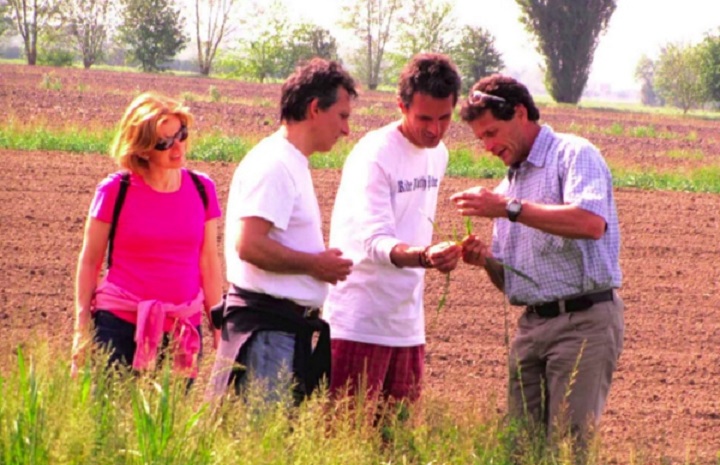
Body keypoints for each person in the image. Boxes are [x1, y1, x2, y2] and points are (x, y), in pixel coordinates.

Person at [451, 74, 624, 456]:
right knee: (521, 450)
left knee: (568, 450)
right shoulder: (508, 186)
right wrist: (486, 260)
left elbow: (590, 223)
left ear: (519, 113)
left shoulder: (573, 154)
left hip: (583, 323)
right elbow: (514, 282)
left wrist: (508, 208)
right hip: (531, 327)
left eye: (492, 133)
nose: (488, 146)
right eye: (481, 139)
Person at [206, 58, 357, 404]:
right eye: (342, 116)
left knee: (270, 436)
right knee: (262, 436)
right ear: (315, 108)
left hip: (279, 331)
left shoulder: (290, 161)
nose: (346, 129)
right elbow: (250, 245)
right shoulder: (274, 164)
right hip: (268, 332)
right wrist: (315, 265)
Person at [323, 53, 463, 406]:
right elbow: (374, 241)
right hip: (359, 321)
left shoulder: (438, 154)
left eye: (444, 118)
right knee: (345, 431)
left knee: (397, 434)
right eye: (424, 118)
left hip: (407, 325)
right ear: (401, 106)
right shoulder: (375, 154)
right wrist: (426, 256)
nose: (435, 130)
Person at [72, 92, 224, 381]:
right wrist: (81, 329)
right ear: (142, 150)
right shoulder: (115, 190)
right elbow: (90, 262)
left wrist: (218, 327)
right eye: (164, 143)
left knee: (172, 411)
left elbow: (208, 263)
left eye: (181, 134)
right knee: (112, 408)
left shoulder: (202, 189)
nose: (178, 147)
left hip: (182, 329)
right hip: (119, 326)